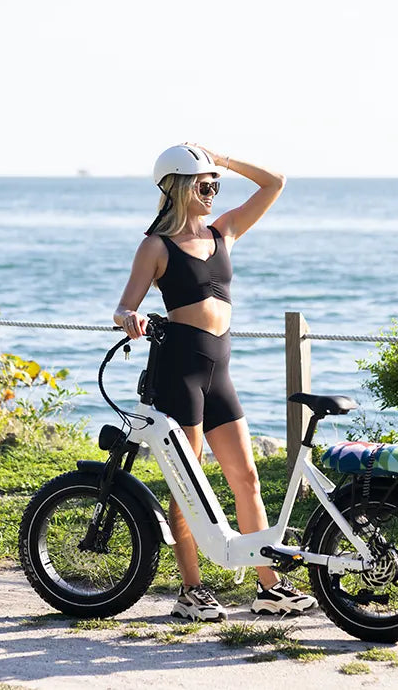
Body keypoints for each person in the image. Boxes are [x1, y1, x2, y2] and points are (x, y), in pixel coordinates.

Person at [112, 143, 318, 622]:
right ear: (179, 188)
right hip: (178, 372)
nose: (212, 191)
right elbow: (125, 305)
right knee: (189, 485)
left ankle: (270, 588)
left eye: (215, 185)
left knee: (246, 479)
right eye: (204, 184)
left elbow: (275, 183)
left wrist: (221, 158)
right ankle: (191, 591)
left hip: (219, 373)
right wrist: (130, 318)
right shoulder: (156, 247)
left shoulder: (223, 231)